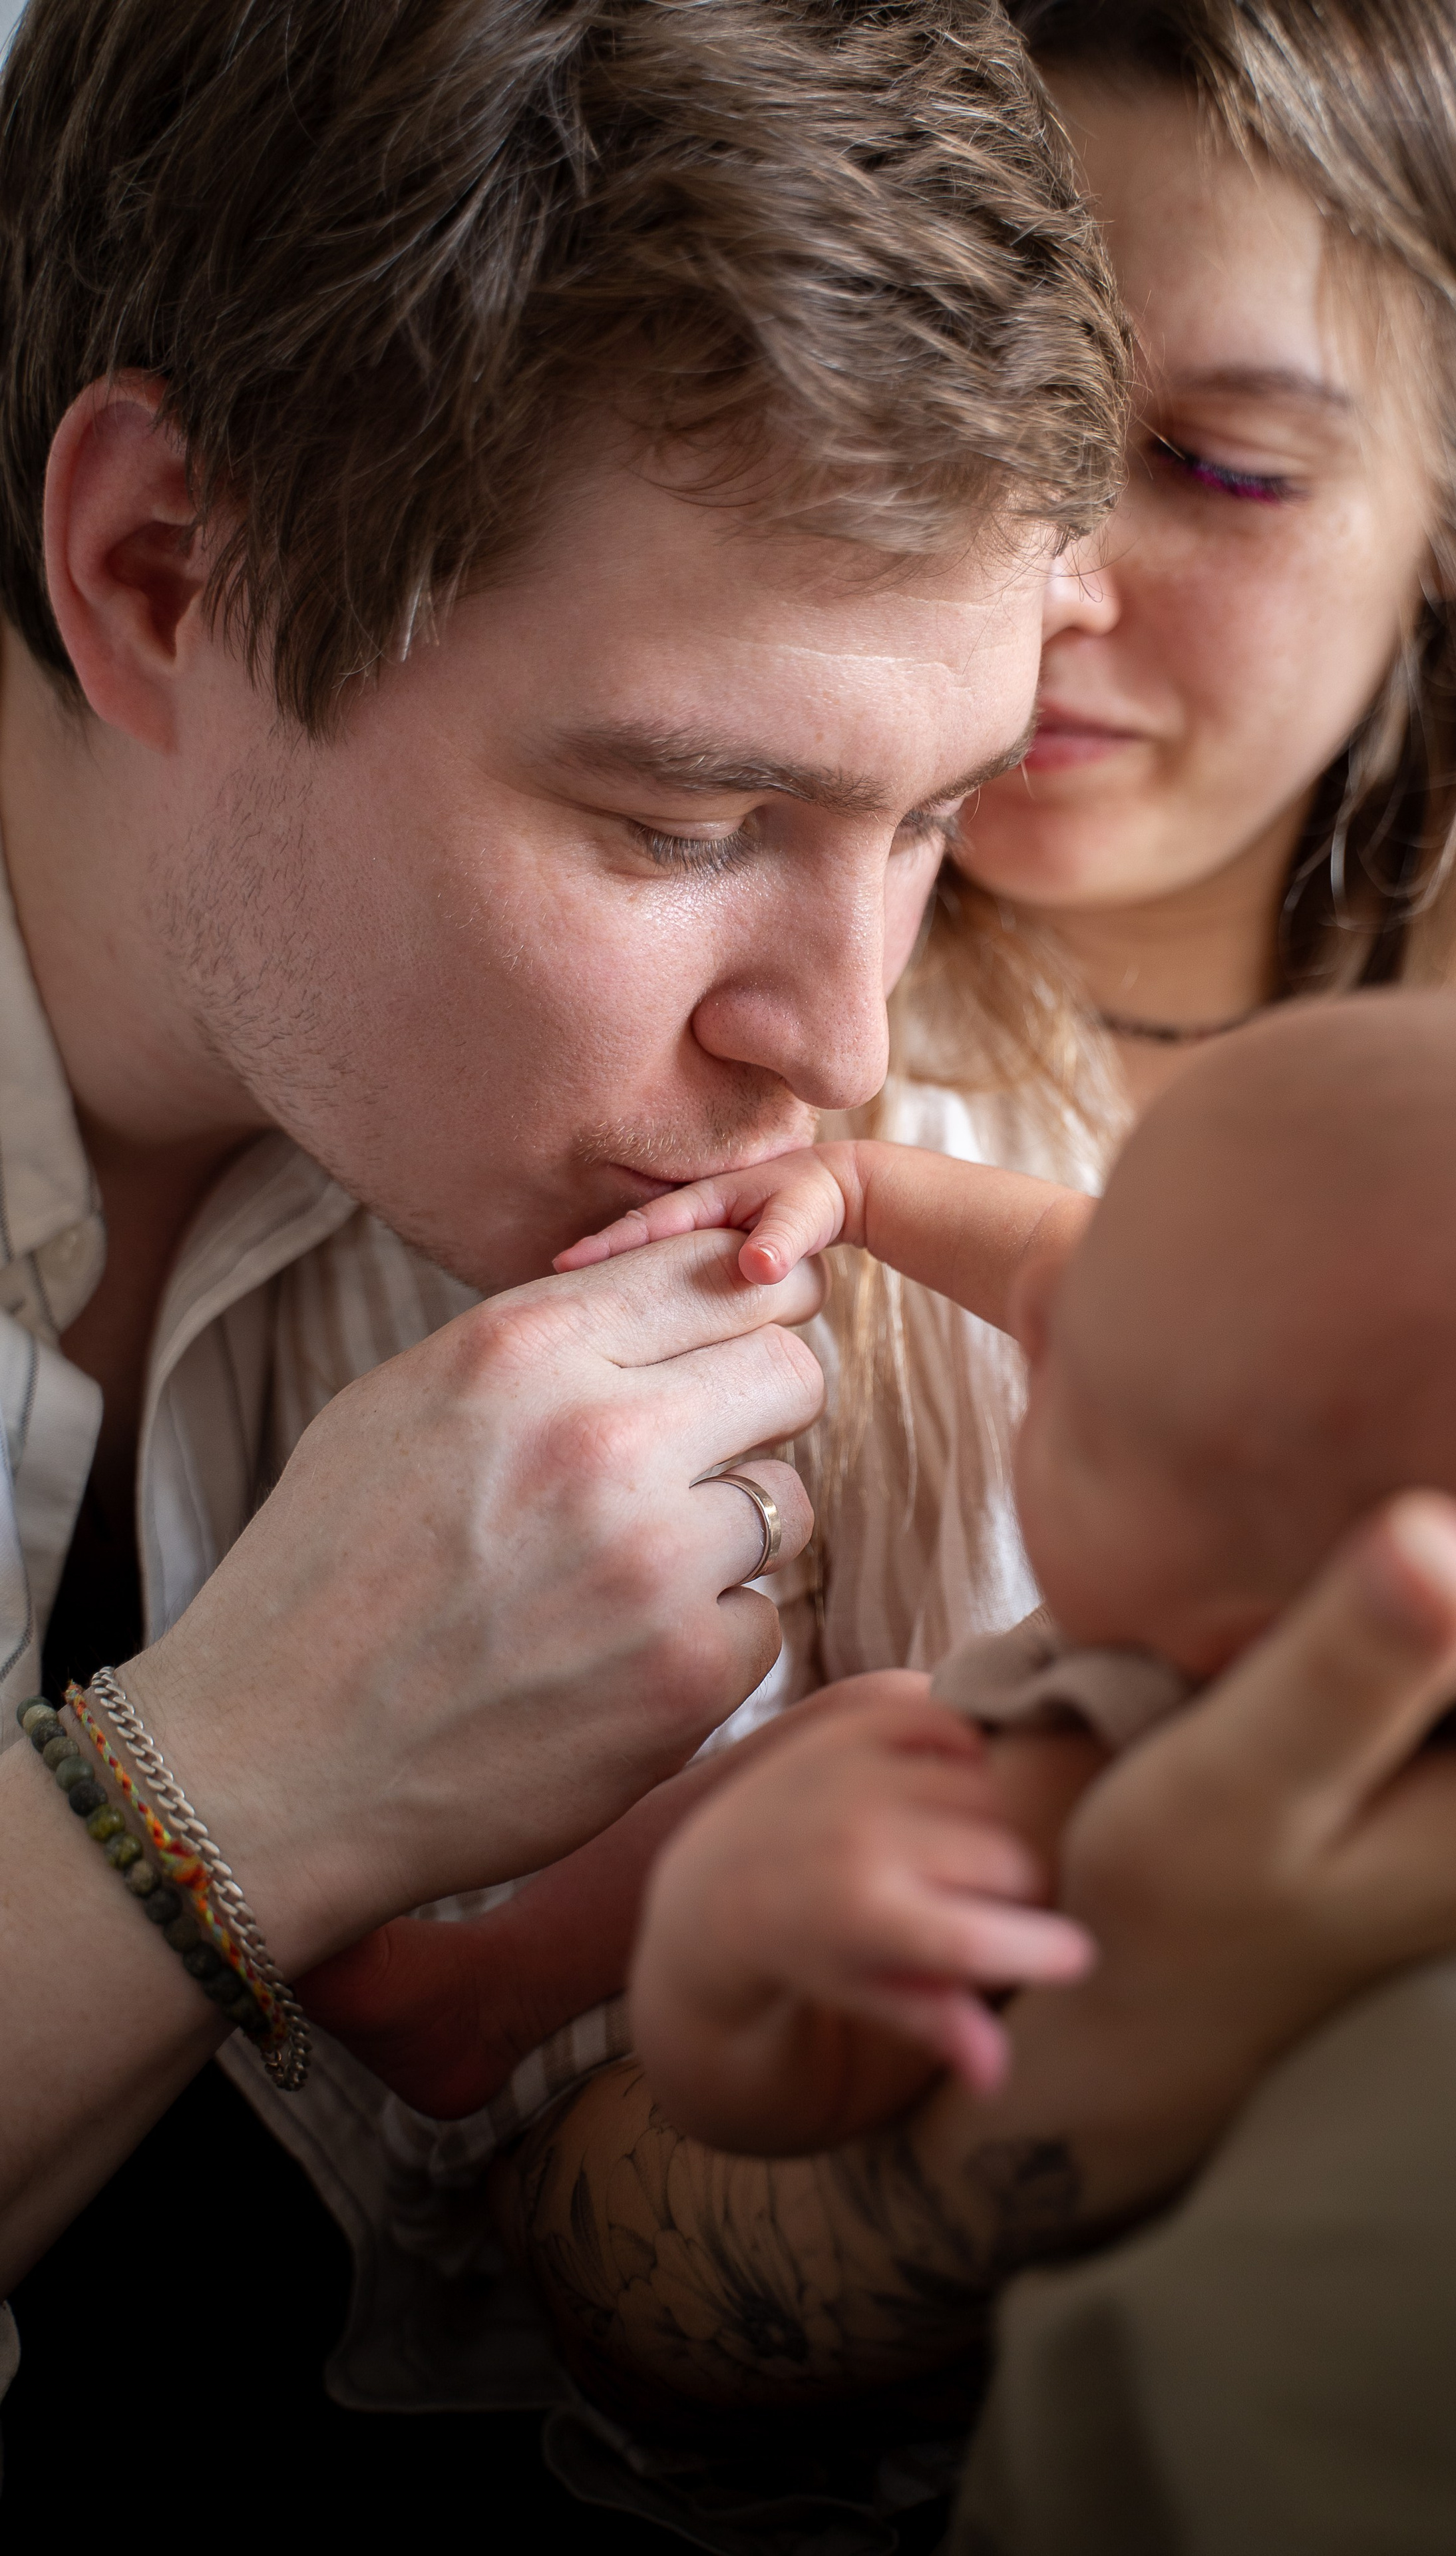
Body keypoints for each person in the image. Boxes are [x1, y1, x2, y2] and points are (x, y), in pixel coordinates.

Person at [481, 1, 1456, 2547]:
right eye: (970, 415)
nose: (1047, 583)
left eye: (1222, 464)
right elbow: (536, 2218)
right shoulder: (702, 1075)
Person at [0, 0, 1136, 2511]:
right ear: (163, 579)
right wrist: (259, 1778)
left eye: (933, 814)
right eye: (686, 817)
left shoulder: (955, 1216)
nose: (836, 1045)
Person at [614, 986, 1456, 2156]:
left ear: (1261, 1656)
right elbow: (1055, 1254)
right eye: (1115, 1224)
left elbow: (784, 2107)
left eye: (1079, 1412)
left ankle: (514, 1978)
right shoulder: (1297, 1396)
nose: (1034, 1307)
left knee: (878, 1737)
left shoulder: (1060, 1803)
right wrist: (862, 1190)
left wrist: (714, 1935)